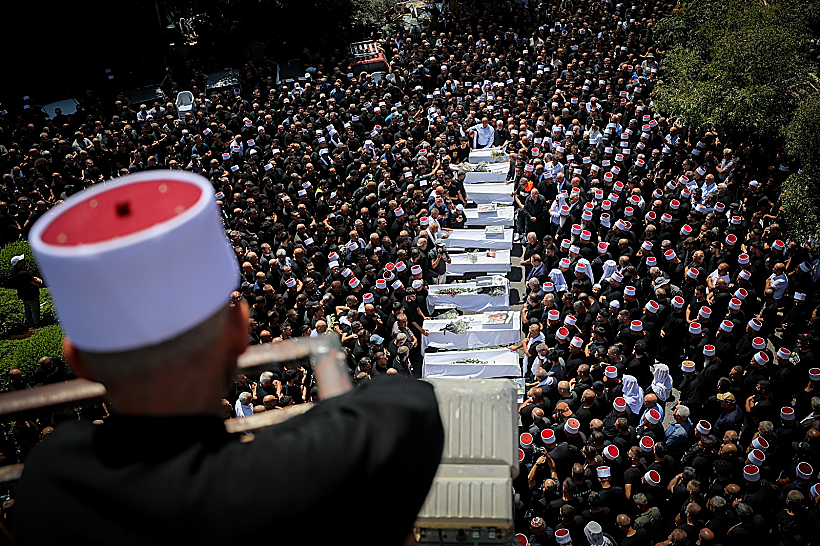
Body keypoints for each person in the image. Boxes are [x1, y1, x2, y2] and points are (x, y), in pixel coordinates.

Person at [15, 171, 444, 544]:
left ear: (78, 361)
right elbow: (411, 403)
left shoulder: (46, 478)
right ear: (240, 329)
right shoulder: (293, 473)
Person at [9, 254, 43, 330]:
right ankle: (37, 326)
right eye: (21, 260)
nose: (23, 261)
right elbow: (35, 283)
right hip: (31, 295)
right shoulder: (24, 273)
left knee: (27, 310)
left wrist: (34, 278)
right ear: (18, 263)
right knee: (35, 310)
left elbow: (30, 278)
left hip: (23, 295)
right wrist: (40, 282)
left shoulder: (13, 271)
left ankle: (30, 325)